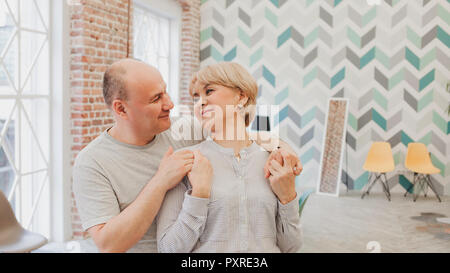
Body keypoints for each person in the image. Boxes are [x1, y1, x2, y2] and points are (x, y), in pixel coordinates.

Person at [73, 59, 302, 253]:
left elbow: (235, 134)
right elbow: (108, 244)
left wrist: (281, 146)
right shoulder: (92, 162)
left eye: (165, 92)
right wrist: (163, 181)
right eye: (156, 99)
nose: (170, 104)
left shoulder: (181, 129)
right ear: (121, 109)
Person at [156, 62, 302, 253]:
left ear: (241, 96)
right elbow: (168, 249)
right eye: (196, 97)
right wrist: (199, 194)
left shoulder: (274, 161)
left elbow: (291, 247)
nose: (200, 102)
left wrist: (288, 196)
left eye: (209, 91)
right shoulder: (188, 162)